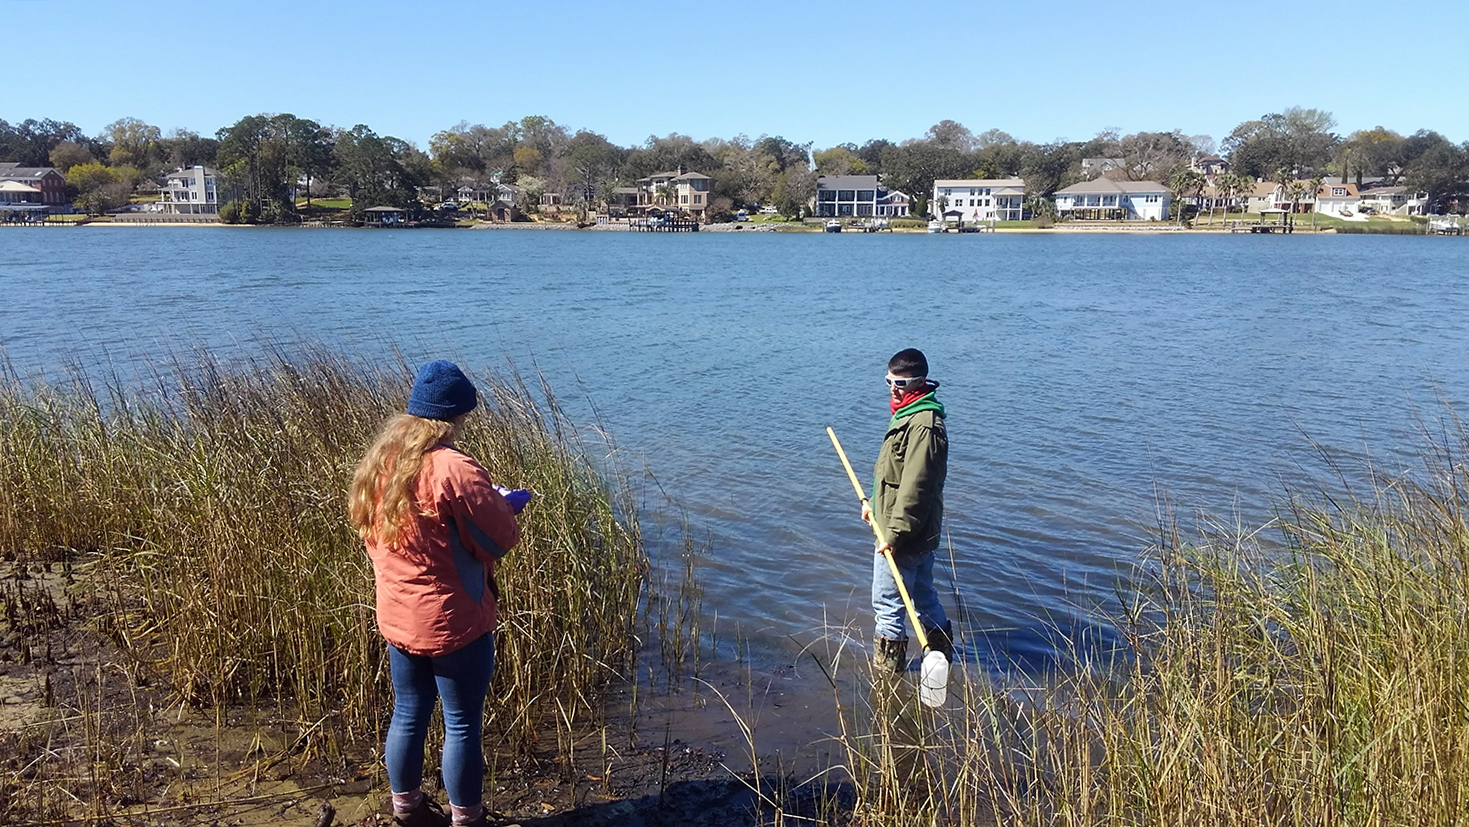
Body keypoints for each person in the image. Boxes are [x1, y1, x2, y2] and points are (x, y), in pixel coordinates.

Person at [348, 360, 530, 827]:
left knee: (407, 714)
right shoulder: (452, 467)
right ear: (455, 414)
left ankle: (406, 810)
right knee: (462, 724)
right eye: (466, 416)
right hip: (454, 622)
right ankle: (467, 820)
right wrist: (507, 503)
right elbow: (499, 538)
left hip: (398, 618)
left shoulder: (381, 463)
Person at [862, 348, 953, 674]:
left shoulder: (923, 426)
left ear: (920, 381)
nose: (892, 388)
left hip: (903, 534)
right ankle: (942, 660)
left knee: (888, 605)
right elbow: (893, 475)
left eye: (899, 382)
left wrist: (893, 535)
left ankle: (888, 679)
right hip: (909, 529)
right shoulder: (908, 413)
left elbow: (917, 488)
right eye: (888, 380)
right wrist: (874, 505)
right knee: (924, 596)